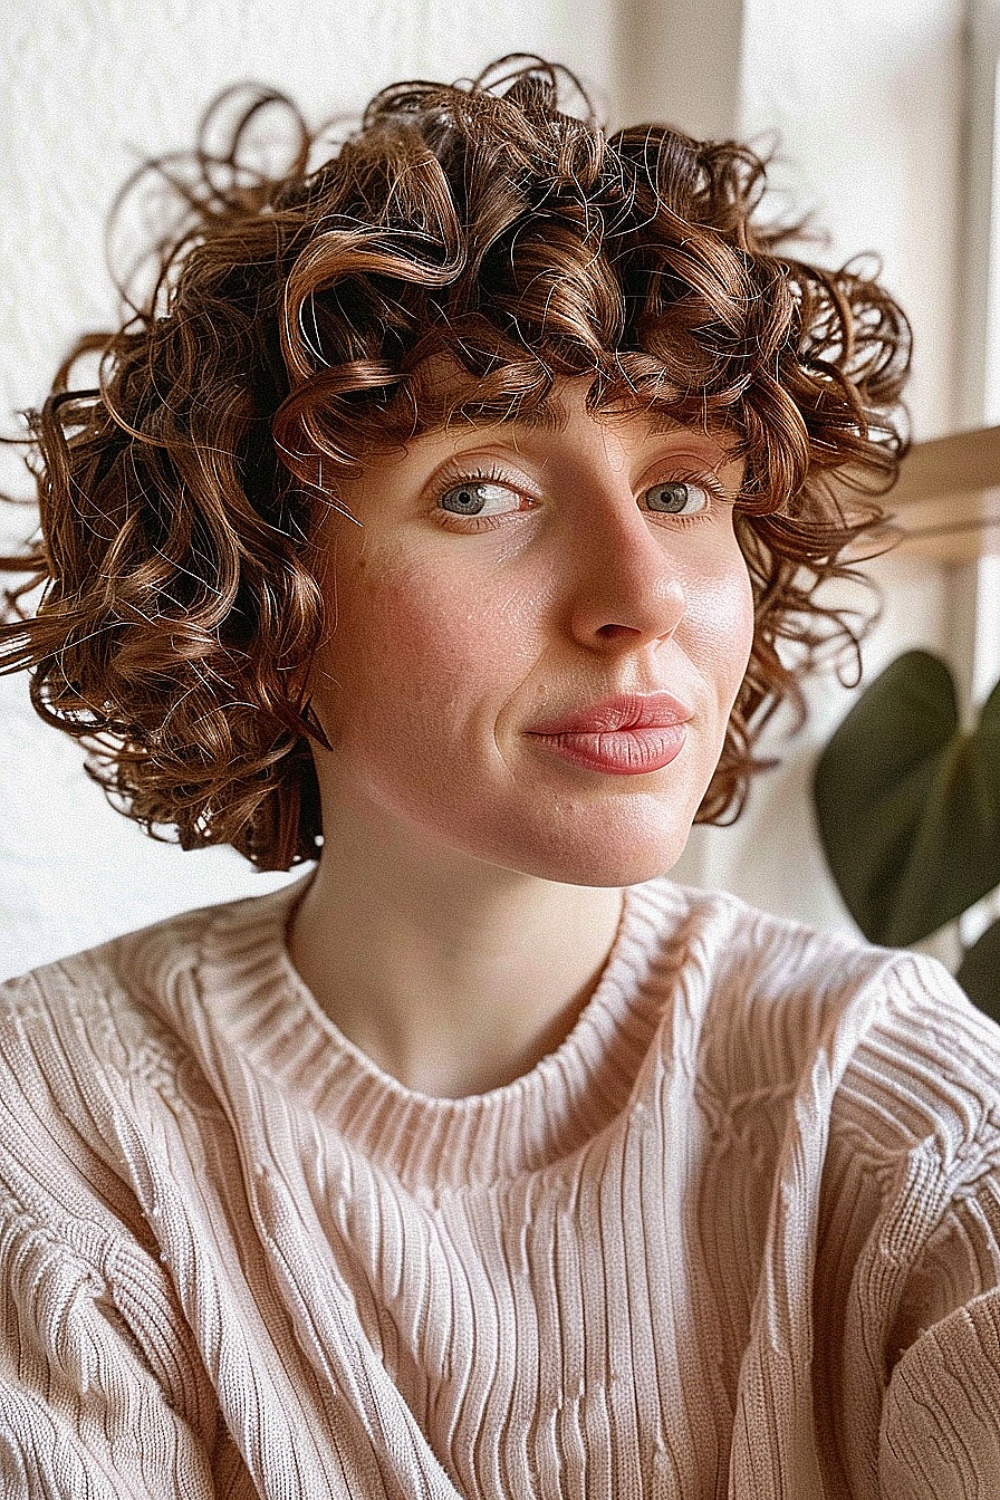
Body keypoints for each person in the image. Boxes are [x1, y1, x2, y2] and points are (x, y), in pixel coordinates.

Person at [0, 54, 997, 1500]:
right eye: (482, 493)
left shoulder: (898, 1108)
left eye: (680, 490)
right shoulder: (55, 1140)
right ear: (256, 599)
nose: (642, 595)